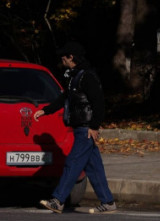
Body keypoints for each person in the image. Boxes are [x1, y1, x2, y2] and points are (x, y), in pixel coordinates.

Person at [35, 41, 117, 214]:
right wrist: (45, 111)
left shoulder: (87, 76)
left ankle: (58, 200)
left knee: (72, 163)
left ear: (71, 57)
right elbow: (64, 98)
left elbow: (99, 103)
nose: (61, 59)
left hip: (86, 129)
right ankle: (108, 202)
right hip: (82, 128)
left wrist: (94, 126)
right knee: (94, 167)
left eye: (63, 56)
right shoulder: (75, 77)